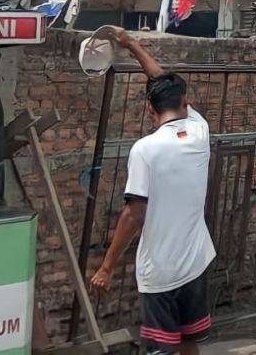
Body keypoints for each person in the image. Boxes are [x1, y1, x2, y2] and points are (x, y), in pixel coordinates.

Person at [88, 27, 216, 355]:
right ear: (185, 103)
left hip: (161, 272)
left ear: (149, 110)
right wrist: (131, 44)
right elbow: (163, 80)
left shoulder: (146, 150)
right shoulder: (199, 132)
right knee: (189, 342)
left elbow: (134, 214)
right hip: (196, 262)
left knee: (161, 350)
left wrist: (106, 266)